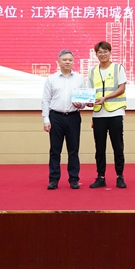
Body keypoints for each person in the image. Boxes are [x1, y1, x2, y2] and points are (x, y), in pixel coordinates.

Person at [41, 49, 85, 190]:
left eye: (70, 60)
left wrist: (81, 104)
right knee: (55, 150)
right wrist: (46, 119)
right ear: (58, 62)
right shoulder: (51, 79)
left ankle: (74, 179)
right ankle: (53, 179)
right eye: (64, 60)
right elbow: (46, 100)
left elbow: (84, 99)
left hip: (73, 117)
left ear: (73, 62)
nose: (67, 62)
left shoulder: (79, 78)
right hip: (56, 117)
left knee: (73, 150)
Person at [86, 41, 127, 189]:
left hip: (115, 112)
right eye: (100, 52)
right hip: (98, 114)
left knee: (118, 147)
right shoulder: (92, 72)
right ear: (96, 54)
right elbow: (90, 93)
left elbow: (121, 88)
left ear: (110, 52)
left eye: (105, 51)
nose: (103, 54)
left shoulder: (118, 68)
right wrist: (89, 102)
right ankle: (100, 177)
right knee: (100, 148)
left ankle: (120, 176)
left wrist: (105, 98)